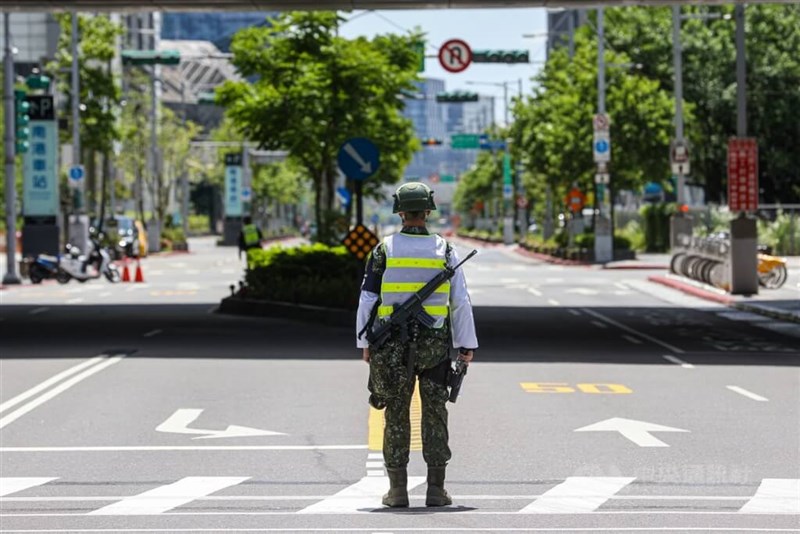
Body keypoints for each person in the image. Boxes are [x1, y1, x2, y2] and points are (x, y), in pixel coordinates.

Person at [356, 182, 478, 508]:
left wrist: (364, 341)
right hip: (435, 347)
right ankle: (436, 490)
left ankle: (397, 491)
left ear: (399, 211)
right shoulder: (446, 250)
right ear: (427, 211)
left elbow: (367, 300)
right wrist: (466, 344)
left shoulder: (383, 250)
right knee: (434, 414)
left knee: (396, 414)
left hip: (391, 348)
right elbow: (460, 303)